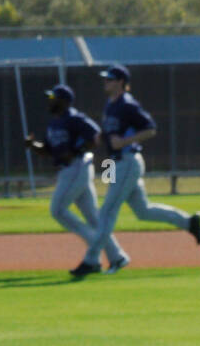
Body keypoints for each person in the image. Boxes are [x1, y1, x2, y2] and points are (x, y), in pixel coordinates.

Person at [71, 65, 200, 279]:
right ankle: (189, 223)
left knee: (105, 212)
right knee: (143, 211)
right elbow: (109, 133)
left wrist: (125, 141)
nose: (106, 82)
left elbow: (150, 128)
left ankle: (92, 261)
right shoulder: (110, 104)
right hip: (114, 163)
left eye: (110, 79)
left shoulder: (127, 104)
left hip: (128, 162)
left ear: (121, 82)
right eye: (105, 79)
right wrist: (99, 139)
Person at [23, 84, 126, 266]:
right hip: (68, 170)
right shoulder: (54, 122)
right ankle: (117, 257)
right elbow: (48, 150)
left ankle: (94, 243)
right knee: (93, 217)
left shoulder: (74, 118)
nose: (50, 101)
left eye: (53, 98)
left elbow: (97, 136)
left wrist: (77, 150)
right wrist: (33, 146)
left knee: (57, 210)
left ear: (64, 101)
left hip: (77, 166)